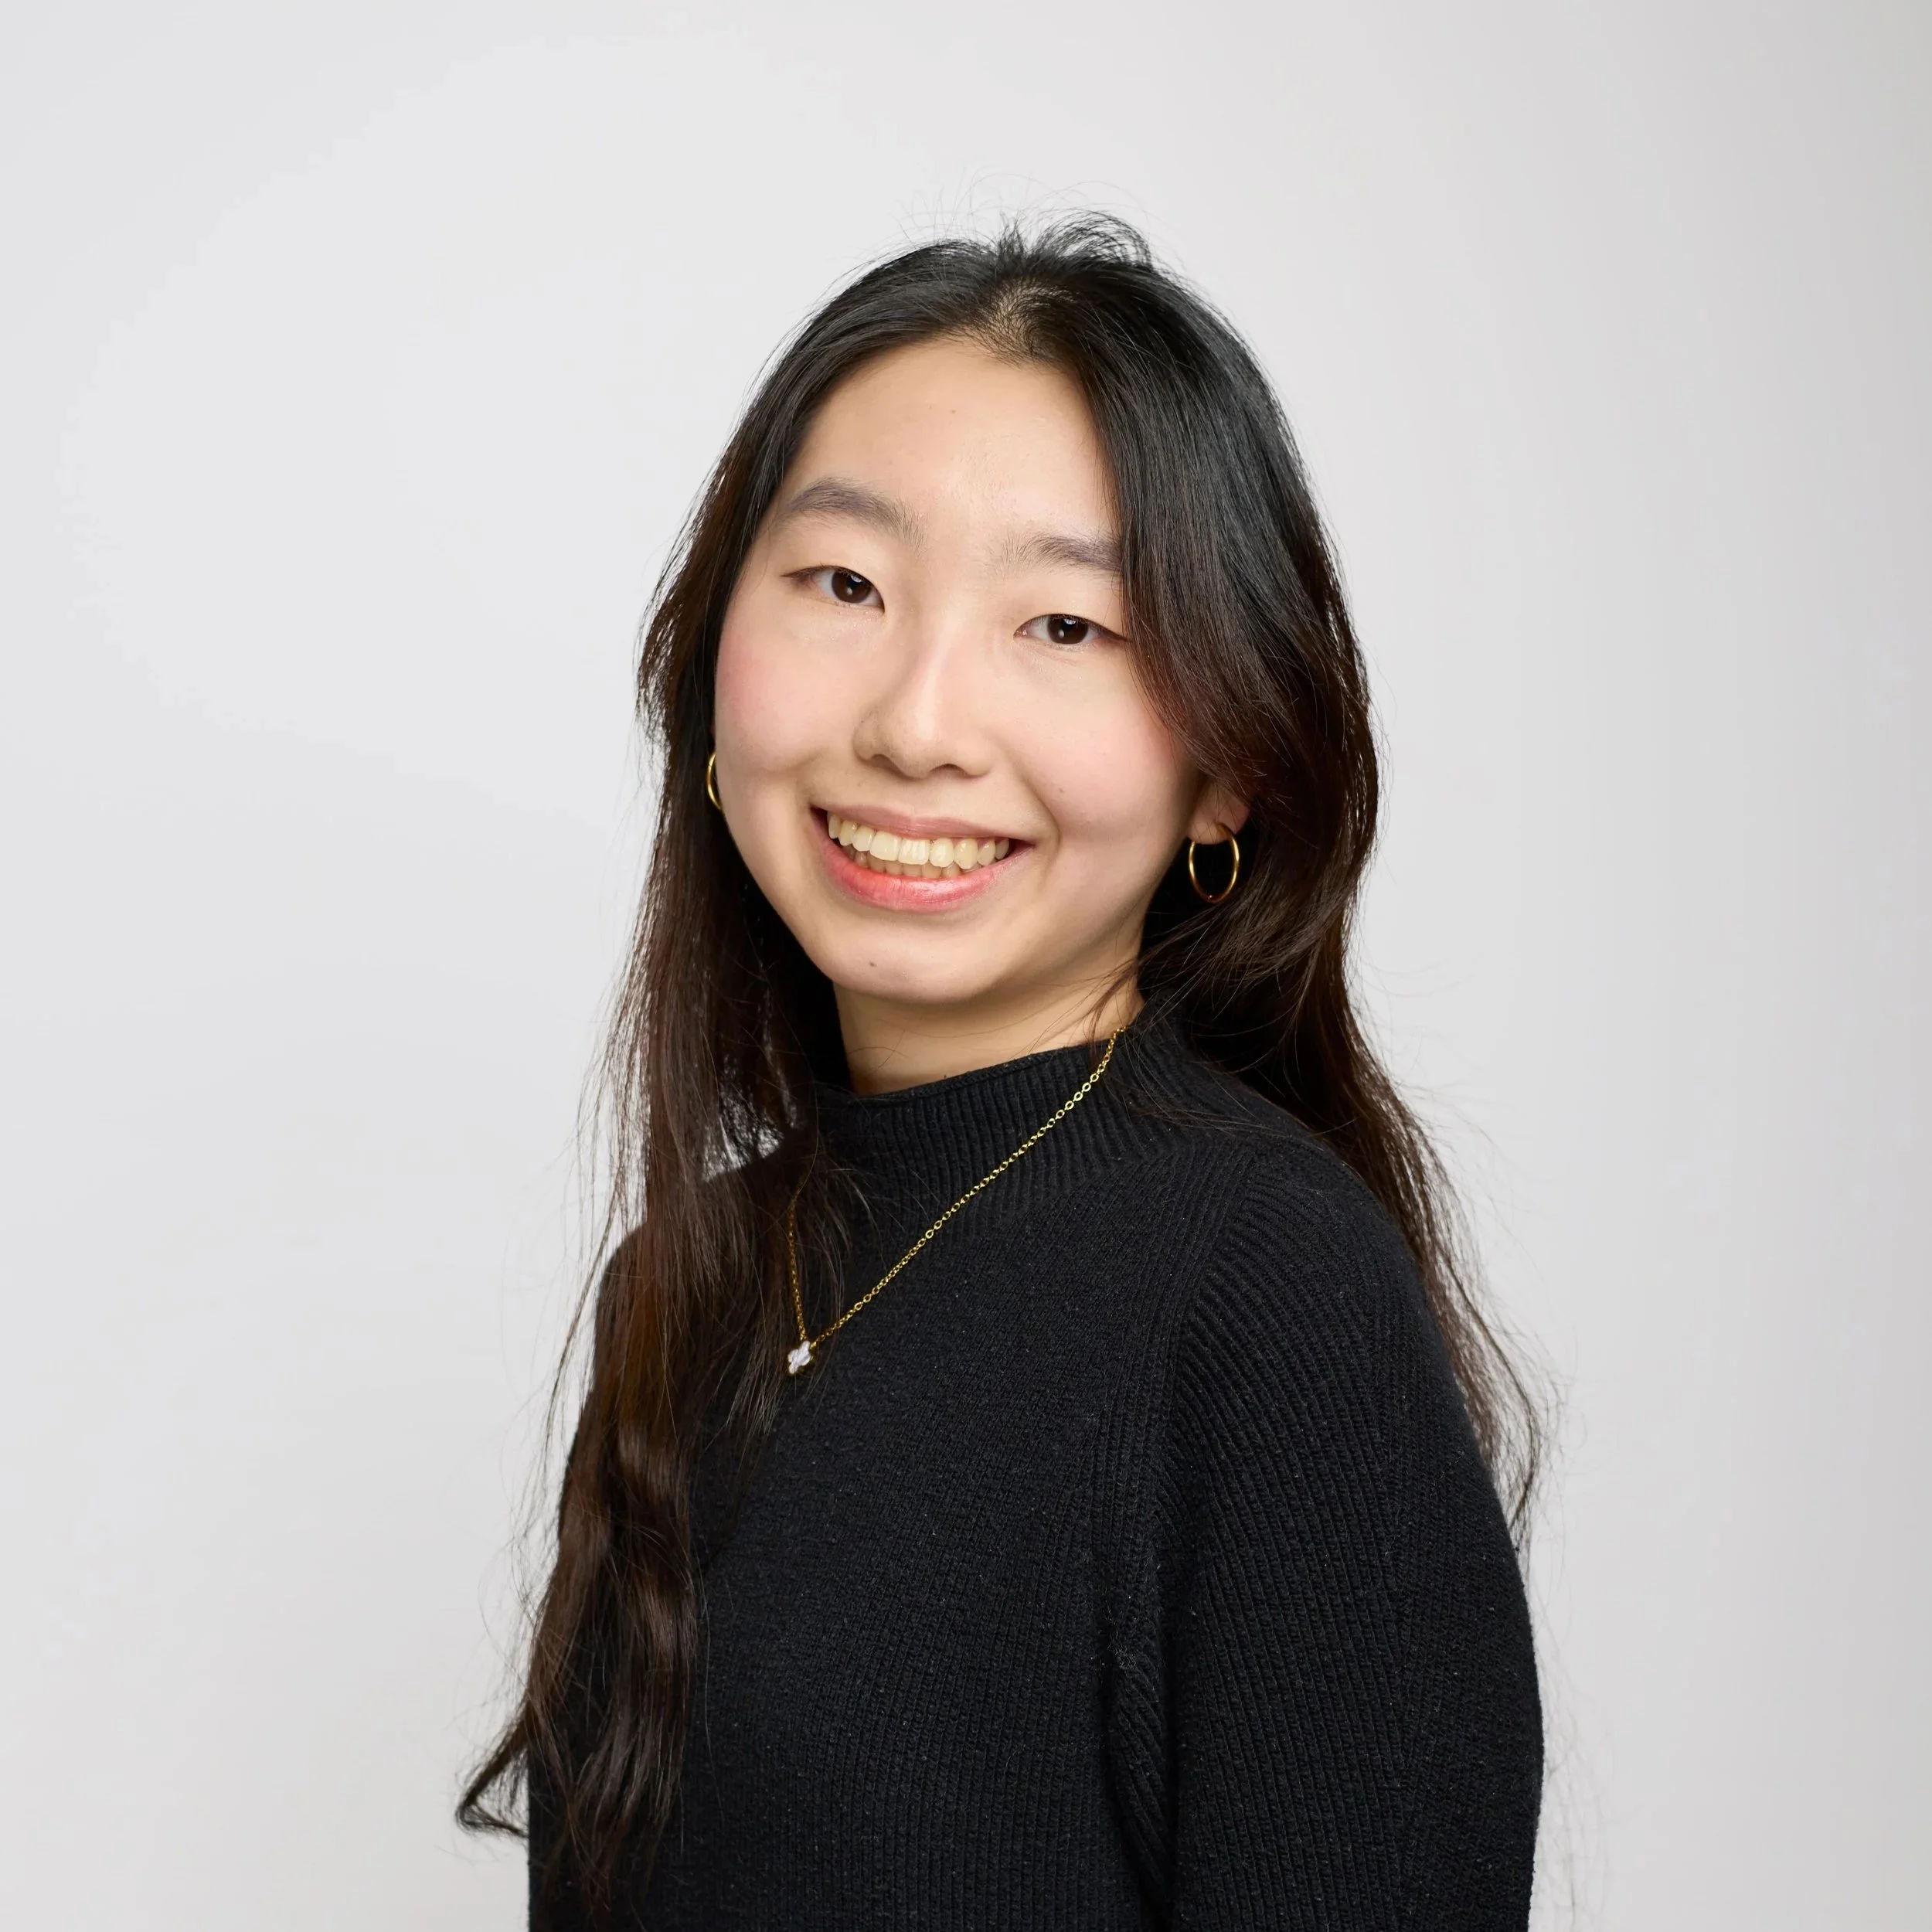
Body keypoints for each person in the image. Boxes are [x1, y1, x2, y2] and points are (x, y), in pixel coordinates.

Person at [462, 215, 1545, 1930]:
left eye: (1063, 624)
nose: (915, 725)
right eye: (844, 585)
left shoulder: (1268, 1300)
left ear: (1231, 765)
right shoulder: (682, 1285)